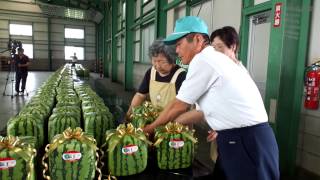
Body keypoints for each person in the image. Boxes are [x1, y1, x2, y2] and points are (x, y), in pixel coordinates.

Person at [143, 16, 279, 180]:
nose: (176, 51)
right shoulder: (216, 59)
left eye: (179, 44)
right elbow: (208, 108)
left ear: (198, 39)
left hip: (246, 142)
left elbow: (178, 105)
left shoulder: (203, 60)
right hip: (239, 139)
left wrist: (150, 129)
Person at [125, 39, 186, 120]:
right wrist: (129, 114)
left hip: (175, 122)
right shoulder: (151, 72)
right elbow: (140, 95)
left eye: (162, 62)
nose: (157, 66)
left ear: (172, 60)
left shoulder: (181, 75)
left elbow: (182, 106)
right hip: (155, 118)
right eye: (154, 61)